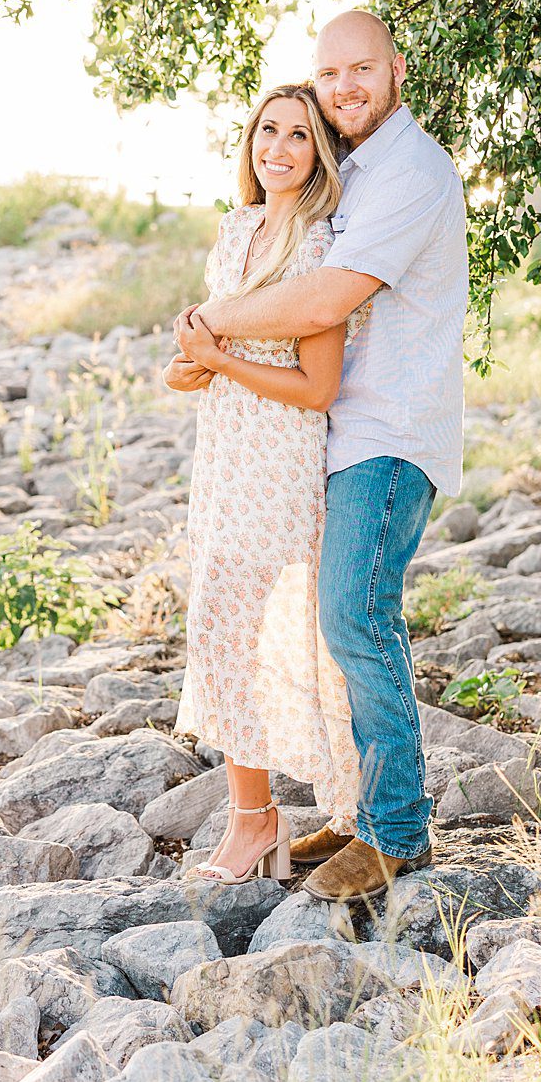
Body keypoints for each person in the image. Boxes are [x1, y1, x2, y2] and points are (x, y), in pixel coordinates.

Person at [178, 9, 468, 901]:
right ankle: (350, 812)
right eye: (329, 72)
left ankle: (395, 835)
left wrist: (211, 327)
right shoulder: (357, 172)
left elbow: (326, 300)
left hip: (390, 432)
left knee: (354, 617)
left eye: (361, 70)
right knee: (328, 626)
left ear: (396, 70)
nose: (345, 87)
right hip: (340, 438)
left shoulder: (412, 171)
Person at [163, 82, 365, 884]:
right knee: (223, 626)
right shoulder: (237, 227)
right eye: (267, 132)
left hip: (278, 457)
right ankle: (263, 818)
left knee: (238, 625)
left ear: (320, 154)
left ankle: (266, 820)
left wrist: (222, 362)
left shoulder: (321, 244)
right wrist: (194, 370)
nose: (278, 148)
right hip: (222, 453)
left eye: (299, 137)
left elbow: (317, 389)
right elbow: (215, 348)